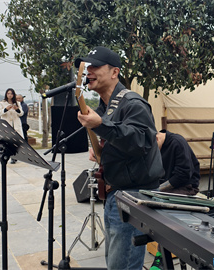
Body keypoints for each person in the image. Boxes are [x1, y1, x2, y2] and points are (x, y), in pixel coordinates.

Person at [75, 46, 164, 270]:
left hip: (133, 196)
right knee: (117, 261)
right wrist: (100, 151)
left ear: (115, 72)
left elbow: (142, 142)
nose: (89, 71)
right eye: (87, 67)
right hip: (117, 193)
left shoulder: (133, 103)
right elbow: (119, 142)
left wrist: (101, 126)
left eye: (95, 66)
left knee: (122, 265)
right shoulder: (105, 106)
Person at [155, 129, 201, 195]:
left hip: (185, 187)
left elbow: (183, 174)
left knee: (157, 199)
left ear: (157, 139)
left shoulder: (177, 142)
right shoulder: (159, 144)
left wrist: (158, 189)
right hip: (169, 186)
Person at [0, 88, 24, 163]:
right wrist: (6, 109)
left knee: (15, 142)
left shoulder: (17, 103)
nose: (10, 95)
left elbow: (21, 113)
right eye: (8, 93)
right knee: (7, 142)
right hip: (6, 125)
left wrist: (17, 109)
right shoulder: (2, 103)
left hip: (16, 125)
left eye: (11, 94)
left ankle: (14, 157)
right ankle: (7, 156)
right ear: (6, 94)